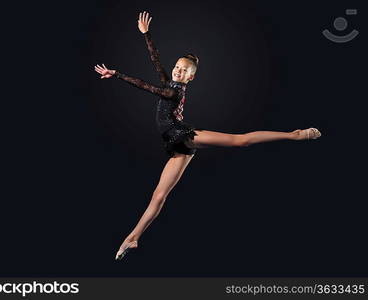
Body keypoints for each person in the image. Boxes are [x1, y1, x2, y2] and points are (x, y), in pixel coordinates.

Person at [93, 11, 321, 260]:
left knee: (240, 140)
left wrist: (117, 75)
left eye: (184, 71)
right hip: (175, 143)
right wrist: (146, 34)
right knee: (159, 195)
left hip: (183, 134)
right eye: (177, 67)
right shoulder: (170, 82)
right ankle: (133, 237)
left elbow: (145, 86)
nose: (179, 71)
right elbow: (156, 61)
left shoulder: (173, 92)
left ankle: (294, 135)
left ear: (191, 77)